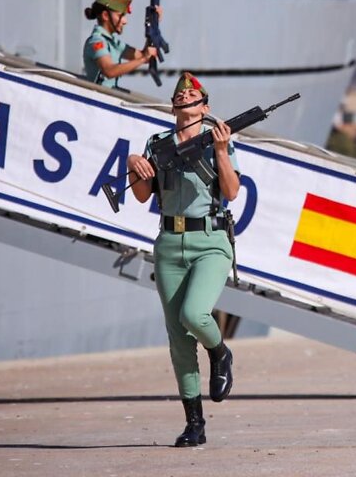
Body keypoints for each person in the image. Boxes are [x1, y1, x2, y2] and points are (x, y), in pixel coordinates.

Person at [125, 72, 241, 448]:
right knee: (177, 338)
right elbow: (143, 195)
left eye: (193, 94)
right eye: (180, 94)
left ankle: (220, 353)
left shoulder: (217, 141)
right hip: (170, 243)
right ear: (174, 106)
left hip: (210, 241)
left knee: (195, 314)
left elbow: (232, 191)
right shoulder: (157, 143)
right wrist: (134, 164)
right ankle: (195, 423)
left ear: (204, 107)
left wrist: (221, 151)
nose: (185, 96)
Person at [82, 0, 159, 89]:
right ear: (105, 16)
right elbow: (109, 71)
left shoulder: (113, 43)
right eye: (120, 16)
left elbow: (141, 55)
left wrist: (153, 23)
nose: (125, 21)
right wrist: (143, 58)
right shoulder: (96, 42)